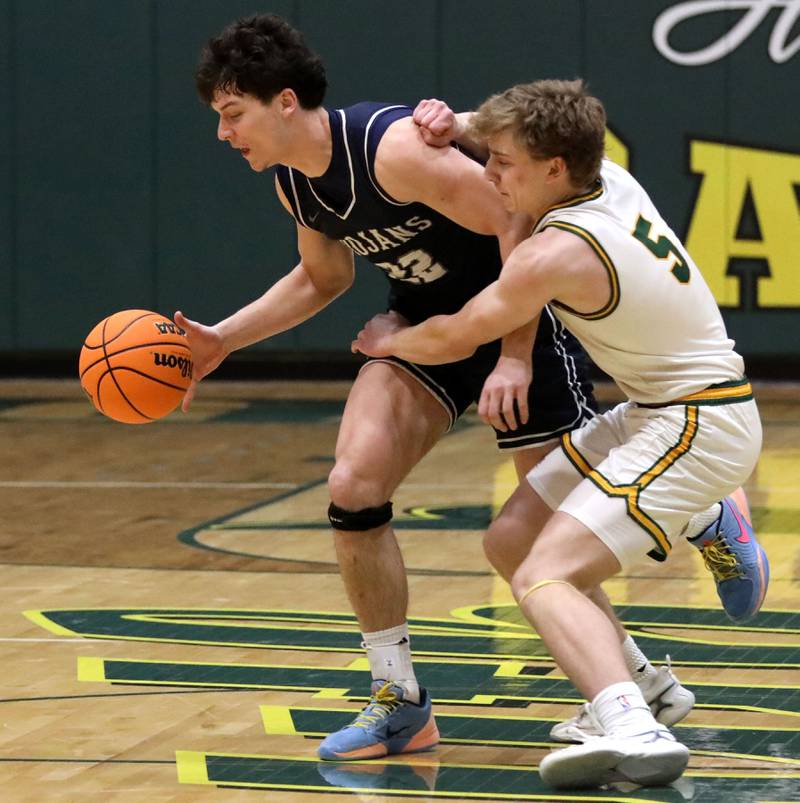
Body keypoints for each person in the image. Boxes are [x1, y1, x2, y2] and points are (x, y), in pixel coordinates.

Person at [353, 79, 765, 788]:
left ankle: (632, 724)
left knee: (548, 575)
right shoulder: (606, 174)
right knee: (510, 541)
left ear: (551, 169)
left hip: (698, 420)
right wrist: (454, 121)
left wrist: (390, 340)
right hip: (661, 410)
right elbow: (511, 122)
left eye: (503, 162)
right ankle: (649, 685)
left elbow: (457, 334)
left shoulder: (557, 250)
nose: (488, 174)